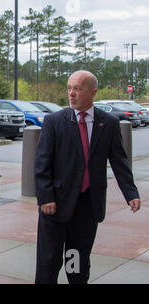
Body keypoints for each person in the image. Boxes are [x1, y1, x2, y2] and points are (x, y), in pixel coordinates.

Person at [34, 70, 141, 284]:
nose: (71, 94)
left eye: (77, 89)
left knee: (77, 263)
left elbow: (119, 161)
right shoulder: (54, 121)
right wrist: (46, 198)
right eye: (69, 88)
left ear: (93, 92)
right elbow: (41, 163)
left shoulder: (108, 123)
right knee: (48, 263)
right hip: (56, 205)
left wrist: (131, 193)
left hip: (86, 207)